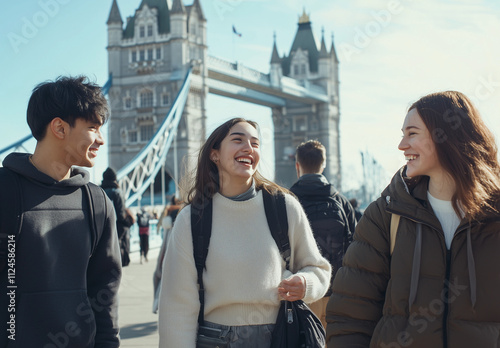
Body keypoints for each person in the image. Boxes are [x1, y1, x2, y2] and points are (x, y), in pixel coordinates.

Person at [326, 91, 500, 347]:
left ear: (445, 136)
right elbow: (351, 313)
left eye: (412, 133)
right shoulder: (386, 215)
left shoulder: (494, 216)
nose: (401, 145)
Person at [158, 117, 331, 347]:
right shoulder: (191, 219)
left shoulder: (284, 207)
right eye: (238, 140)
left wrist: (305, 283)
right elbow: (177, 306)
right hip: (214, 340)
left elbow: (319, 270)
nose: (248, 148)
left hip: (278, 337)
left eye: (255, 143)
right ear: (214, 154)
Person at [0, 76, 121, 347]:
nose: (101, 140)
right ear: (59, 128)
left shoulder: (97, 202)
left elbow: (105, 293)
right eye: (93, 128)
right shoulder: (4, 191)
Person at [290, 140, 357, 329]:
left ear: (297, 165)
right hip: (336, 295)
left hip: (302, 294)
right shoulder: (342, 202)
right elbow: (355, 248)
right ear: (324, 164)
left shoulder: (287, 200)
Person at [153, 195, 183, 314]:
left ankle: (158, 304)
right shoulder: (184, 213)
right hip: (181, 254)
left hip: (168, 253)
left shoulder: (169, 215)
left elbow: (164, 244)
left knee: (162, 278)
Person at [101, 167, 135, 267]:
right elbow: (120, 214)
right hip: (116, 230)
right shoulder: (117, 192)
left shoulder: (98, 191)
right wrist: (129, 222)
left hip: (102, 231)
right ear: (114, 179)